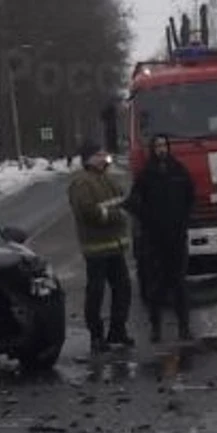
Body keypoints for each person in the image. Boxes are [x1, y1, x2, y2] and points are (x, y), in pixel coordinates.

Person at [125, 134, 197, 343]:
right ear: (152, 149)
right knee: (154, 287)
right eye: (157, 146)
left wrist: (184, 220)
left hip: (176, 237)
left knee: (179, 284)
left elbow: (190, 197)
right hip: (154, 240)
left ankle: (184, 328)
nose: (161, 149)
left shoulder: (179, 171)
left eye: (164, 145)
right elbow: (133, 202)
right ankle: (155, 329)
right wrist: (146, 218)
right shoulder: (146, 175)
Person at [67, 138, 134, 353]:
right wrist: (114, 215)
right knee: (96, 292)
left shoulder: (107, 179)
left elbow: (123, 199)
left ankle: (117, 330)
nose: (104, 157)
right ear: (89, 158)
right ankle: (96, 336)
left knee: (123, 289)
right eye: (99, 154)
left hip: (115, 246)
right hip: (96, 248)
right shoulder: (82, 183)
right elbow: (88, 212)